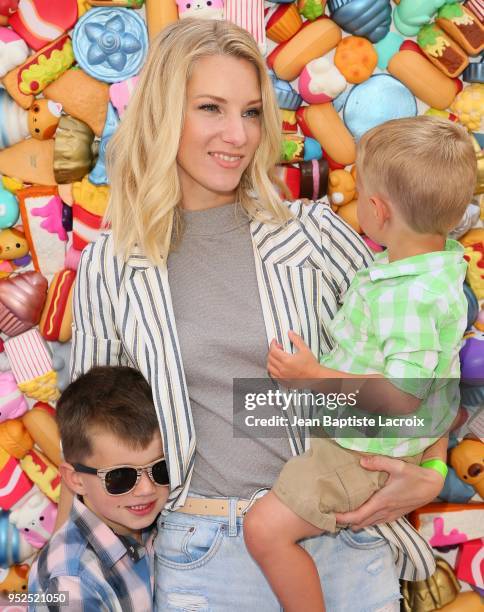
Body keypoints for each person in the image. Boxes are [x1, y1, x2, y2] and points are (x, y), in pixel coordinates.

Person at [68, 18, 446, 611]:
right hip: (204, 555)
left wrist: (432, 466)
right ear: (166, 113)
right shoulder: (110, 267)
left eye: (249, 112)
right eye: (211, 108)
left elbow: (429, 350)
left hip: (341, 543)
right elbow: (89, 436)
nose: (236, 134)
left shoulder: (317, 235)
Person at [243, 116, 477, 611]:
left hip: (359, 456)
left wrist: (312, 376)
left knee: (264, 531)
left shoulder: (409, 296)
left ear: (376, 208)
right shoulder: (435, 271)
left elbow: (401, 395)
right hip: (365, 441)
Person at [28, 366, 170, 611]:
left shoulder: (155, 524)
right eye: (121, 477)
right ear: (76, 479)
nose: (147, 488)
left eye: (160, 468)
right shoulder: (70, 580)